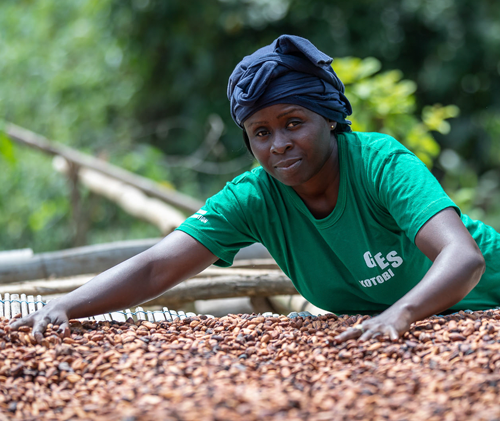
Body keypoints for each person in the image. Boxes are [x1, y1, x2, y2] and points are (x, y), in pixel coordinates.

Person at [10, 35, 500, 343]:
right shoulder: (255, 198)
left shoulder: (379, 163)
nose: (279, 144)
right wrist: (64, 305)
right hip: (408, 333)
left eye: (293, 123)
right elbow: (158, 266)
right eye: (261, 133)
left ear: (330, 118)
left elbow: (464, 260)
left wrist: (400, 314)